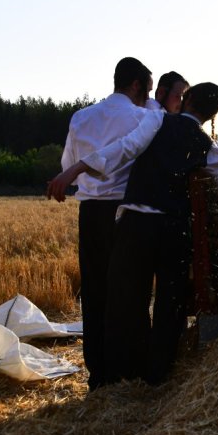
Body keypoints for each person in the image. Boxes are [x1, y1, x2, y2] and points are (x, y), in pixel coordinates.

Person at [50, 83, 218, 385]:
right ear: (214, 114)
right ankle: (158, 376)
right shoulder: (211, 148)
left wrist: (75, 169)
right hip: (175, 230)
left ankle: (122, 375)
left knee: (125, 301)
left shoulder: (157, 120)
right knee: (170, 304)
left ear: (186, 99)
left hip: (136, 223)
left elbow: (124, 149)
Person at [48, 56, 153, 391]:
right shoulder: (142, 117)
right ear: (136, 85)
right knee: (129, 292)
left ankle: (98, 371)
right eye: (146, 89)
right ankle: (128, 370)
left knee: (94, 292)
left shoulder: (82, 116)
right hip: (124, 212)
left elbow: (68, 162)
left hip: (90, 211)